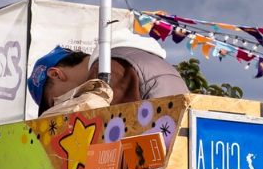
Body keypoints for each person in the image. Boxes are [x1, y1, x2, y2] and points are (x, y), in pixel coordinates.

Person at [29, 20, 185, 116]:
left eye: (53, 101)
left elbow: (112, 136)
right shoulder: (142, 57)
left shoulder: (106, 69)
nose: (60, 105)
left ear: (55, 74)